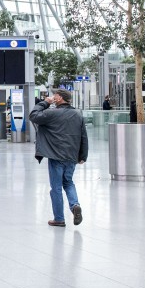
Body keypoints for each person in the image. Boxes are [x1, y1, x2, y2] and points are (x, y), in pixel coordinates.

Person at [30, 88, 89, 228]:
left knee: (56, 187)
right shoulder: (77, 114)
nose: (52, 96)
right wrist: (83, 156)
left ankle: (59, 219)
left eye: (54, 95)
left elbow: (33, 115)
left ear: (60, 98)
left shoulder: (51, 113)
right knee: (68, 182)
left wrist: (45, 102)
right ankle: (75, 205)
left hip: (56, 155)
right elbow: (83, 136)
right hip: (71, 155)